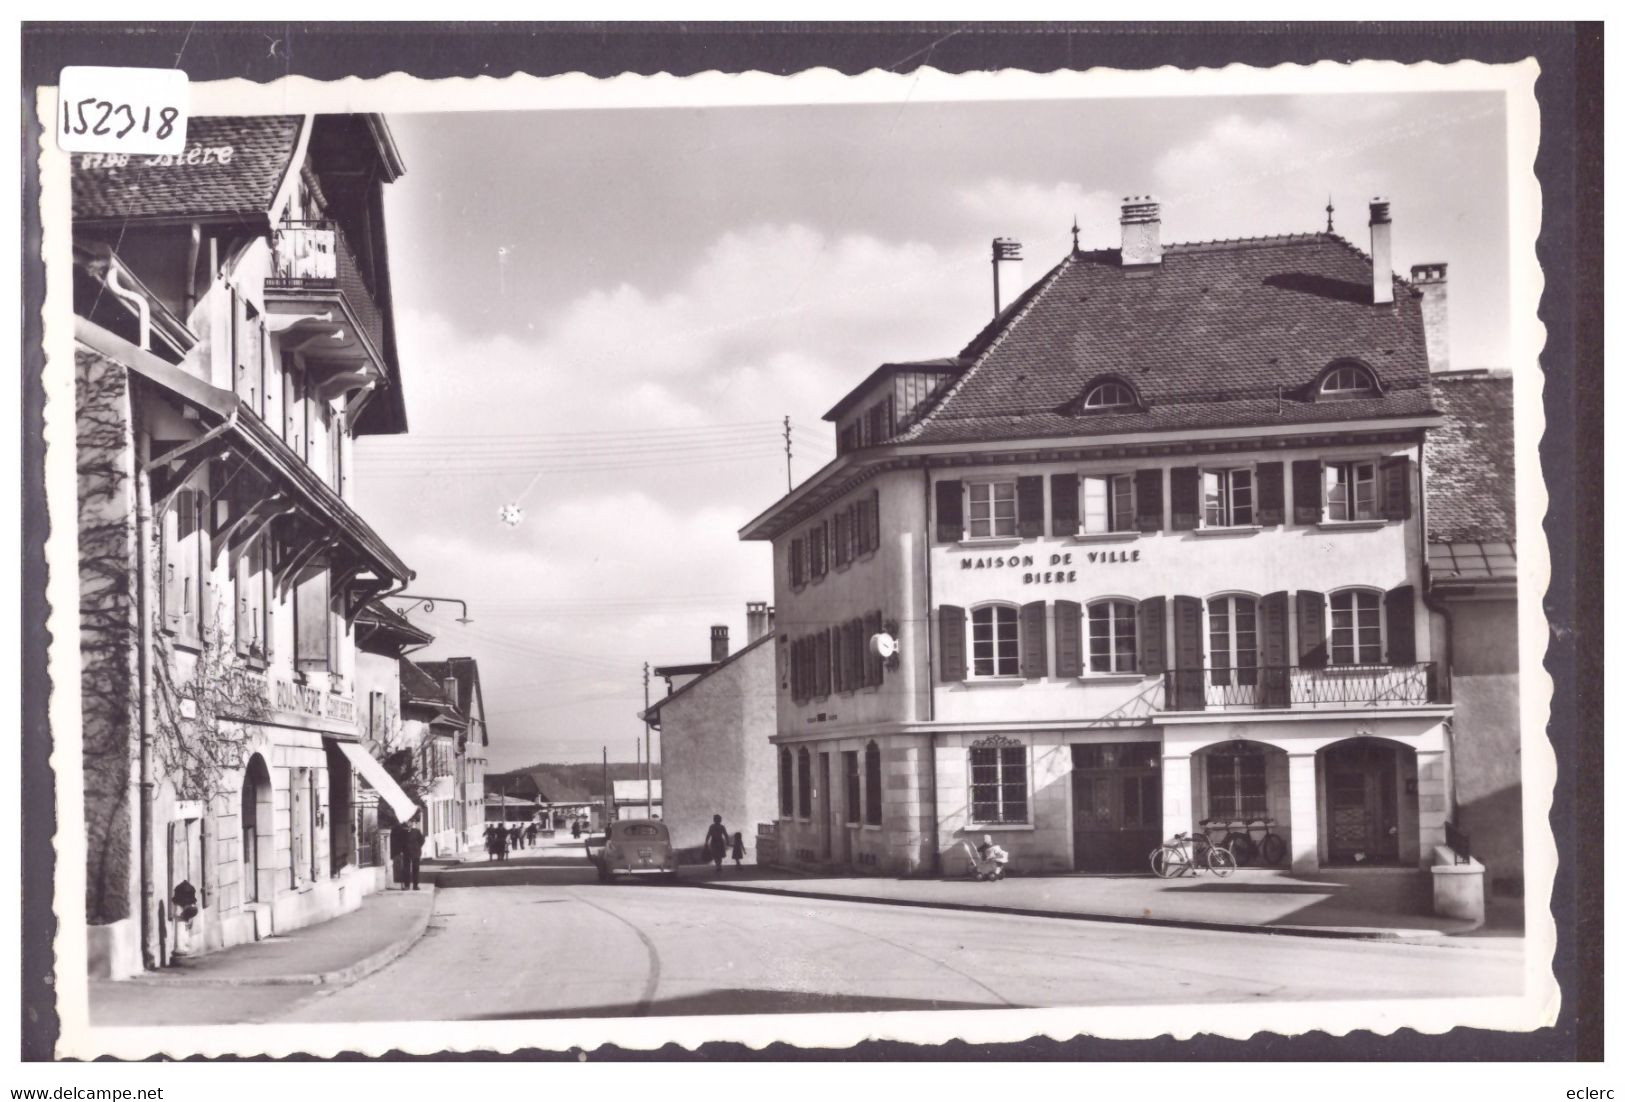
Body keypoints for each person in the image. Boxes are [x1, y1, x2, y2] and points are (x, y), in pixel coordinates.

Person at [403, 820, 425, 890]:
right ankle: (407, 886)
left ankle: (415, 885)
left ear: (412, 824)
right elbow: (400, 842)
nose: (408, 824)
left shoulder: (416, 831)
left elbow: (422, 840)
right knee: (406, 869)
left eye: (410, 822)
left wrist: (418, 847)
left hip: (416, 852)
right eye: (407, 823)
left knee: (415, 869)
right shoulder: (403, 832)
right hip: (406, 853)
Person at [390, 821, 410, 888]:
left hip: (401, 852)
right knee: (405, 868)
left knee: (402, 869)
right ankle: (406, 884)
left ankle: (405, 884)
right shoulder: (406, 831)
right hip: (405, 852)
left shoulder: (396, 830)